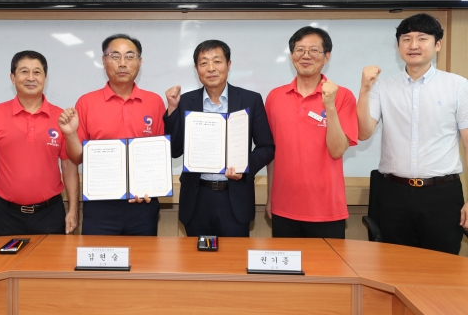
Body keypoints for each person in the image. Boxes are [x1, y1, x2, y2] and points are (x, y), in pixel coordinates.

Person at [357, 13, 468, 254]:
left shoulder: (458, 86)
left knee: (442, 267)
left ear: (437, 44)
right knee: (395, 266)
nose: (413, 45)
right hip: (394, 193)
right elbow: (363, 133)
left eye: (422, 38)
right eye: (406, 39)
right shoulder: (382, 87)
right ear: (398, 46)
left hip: (442, 194)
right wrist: (364, 90)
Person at [0, 50, 79, 236]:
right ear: (12, 77)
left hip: (50, 214)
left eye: (37, 72)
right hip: (6, 215)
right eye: (24, 71)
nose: (31, 78)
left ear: (45, 79)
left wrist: (73, 210)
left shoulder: (60, 117)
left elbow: (68, 166)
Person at [163, 40, 275, 237]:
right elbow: (174, 150)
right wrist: (172, 109)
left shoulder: (250, 99)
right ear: (196, 69)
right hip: (197, 197)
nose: (211, 68)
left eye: (217, 61)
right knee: (196, 255)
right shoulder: (186, 101)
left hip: (234, 198)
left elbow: (266, 147)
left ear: (229, 65)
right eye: (204, 63)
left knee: (233, 256)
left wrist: (244, 167)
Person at [59, 34, 166, 236]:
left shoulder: (155, 102)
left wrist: (152, 186)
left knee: (143, 256)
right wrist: (71, 134)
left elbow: (159, 155)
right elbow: (76, 157)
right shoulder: (86, 103)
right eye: (115, 56)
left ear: (139, 62)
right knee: (99, 256)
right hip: (100, 205)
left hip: (143, 204)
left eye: (130, 56)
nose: (122, 63)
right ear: (104, 61)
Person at [265, 26, 358, 238]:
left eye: (314, 50)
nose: (306, 56)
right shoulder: (274, 97)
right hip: (284, 207)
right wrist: (270, 197)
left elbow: (337, 150)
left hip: (327, 210)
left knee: (328, 262)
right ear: (292, 56)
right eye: (300, 50)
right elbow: (271, 154)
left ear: (327, 56)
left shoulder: (343, 96)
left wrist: (329, 106)